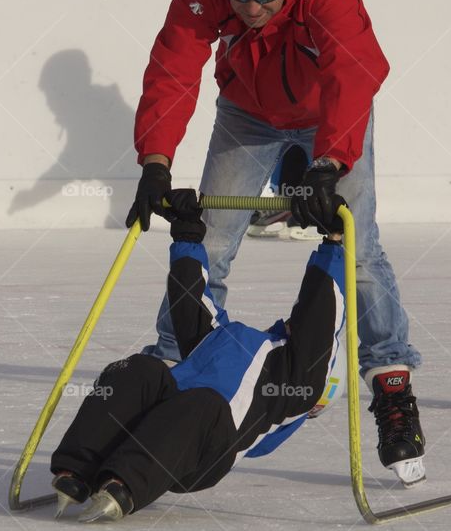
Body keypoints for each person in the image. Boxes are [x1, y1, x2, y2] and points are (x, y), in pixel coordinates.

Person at [125, 0, 426, 484]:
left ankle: (391, 384)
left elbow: (355, 66)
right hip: (248, 113)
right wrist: (155, 161)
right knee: (205, 239)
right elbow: (175, 63)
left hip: (327, 115)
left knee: (357, 250)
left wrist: (330, 160)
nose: (256, 9)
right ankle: (173, 365)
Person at [50, 190, 347, 522]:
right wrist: (187, 234)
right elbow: (192, 302)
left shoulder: (294, 386)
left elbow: (321, 314)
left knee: (203, 403)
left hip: (203, 448)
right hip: (158, 417)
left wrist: (333, 244)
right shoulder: (228, 337)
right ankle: (77, 469)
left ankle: (124, 484)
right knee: (140, 369)